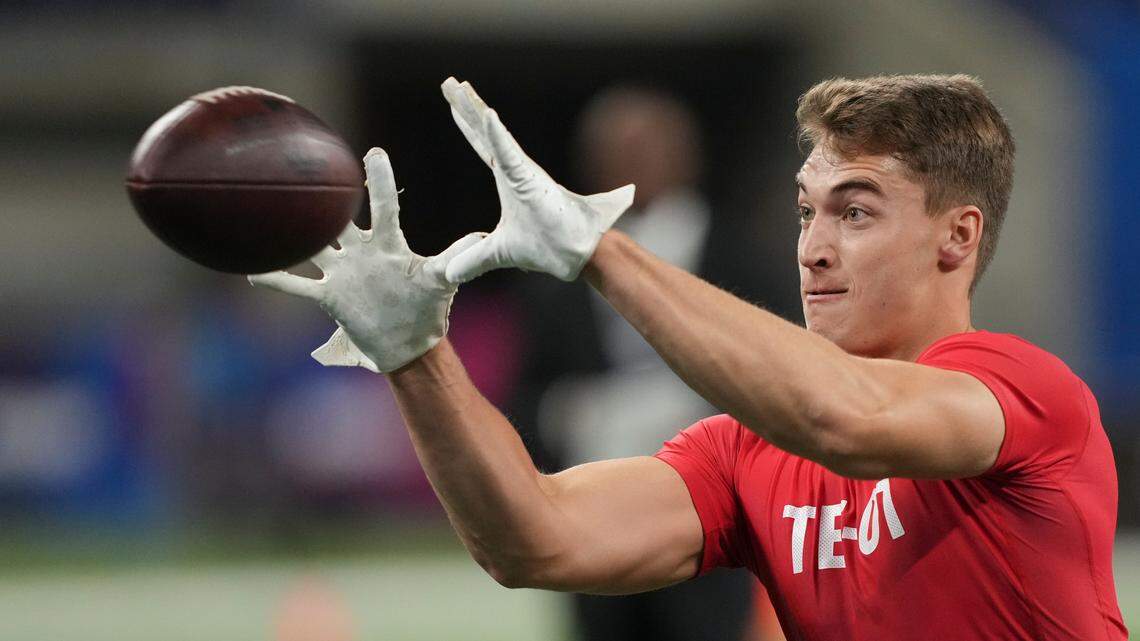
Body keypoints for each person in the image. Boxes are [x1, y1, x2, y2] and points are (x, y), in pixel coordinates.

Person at [250, 74, 1128, 639]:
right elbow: (535, 539)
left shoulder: (1025, 390)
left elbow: (851, 417)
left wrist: (600, 252)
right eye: (806, 210)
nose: (814, 247)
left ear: (957, 237)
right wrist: (415, 353)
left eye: (855, 212)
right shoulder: (746, 453)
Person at [515, 85, 758, 641]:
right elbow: (525, 394)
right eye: (615, 149)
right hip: (596, 522)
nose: (631, 162)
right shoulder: (553, 274)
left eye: (647, 146)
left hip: (711, 524)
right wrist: (570, 416)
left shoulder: (741, 257)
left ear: (686, 156)